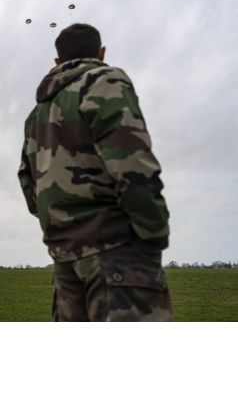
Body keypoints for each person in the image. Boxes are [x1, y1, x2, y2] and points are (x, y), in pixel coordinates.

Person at [18, 23, 173, 321]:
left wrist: (66, 228)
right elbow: (132, 164)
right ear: (101, 53)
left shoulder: (36, 115)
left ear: (57, 61)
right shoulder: (105, 81)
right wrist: (153, 235)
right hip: (117, 253)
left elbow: (28, 184)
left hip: (65, 261)